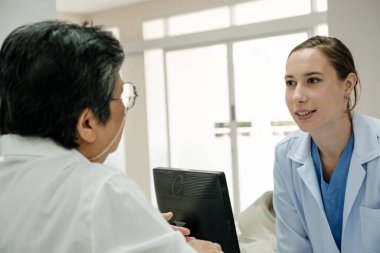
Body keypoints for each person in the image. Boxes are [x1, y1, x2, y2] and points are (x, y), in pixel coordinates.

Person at [0, 20, 222, 253]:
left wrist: (139, 228)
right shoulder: (99, 189)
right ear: (87, 123)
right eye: (121, 95)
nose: (126, 108)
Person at [273, 35, 380, 253]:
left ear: (348, 85)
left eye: (312, 80)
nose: (297, 96)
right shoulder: (285, 156)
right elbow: (292, 247)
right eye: (290, 83)